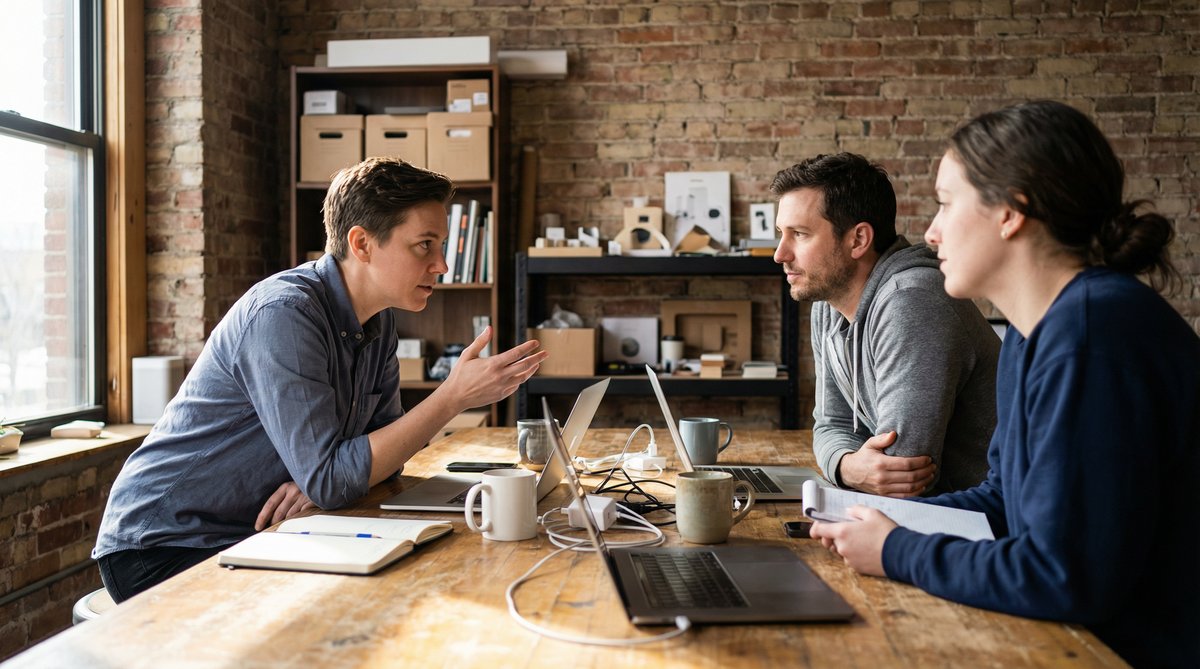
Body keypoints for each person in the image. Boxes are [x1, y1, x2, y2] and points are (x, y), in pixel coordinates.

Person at [809, 100, 1200, 668]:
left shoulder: (1092, 337)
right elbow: (1004, 503)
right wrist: (862, 517)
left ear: (1011, 211)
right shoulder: (1030, 331)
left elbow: (1065, 576)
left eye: (945, 204)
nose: (931, 232)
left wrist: (897, 550)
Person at [93, 158, 548, 602]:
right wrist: (451, 397)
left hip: (259, 528)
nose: (442, 265)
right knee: (367, 607)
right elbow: (335, 477)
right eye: (424, 245)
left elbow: (380, 461)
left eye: (441, 245)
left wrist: (322, 479)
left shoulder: (380, 321)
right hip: (166, 545)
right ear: (362, 243)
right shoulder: (285, 314)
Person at [771, 153, 999, 497]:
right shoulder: (829, 303)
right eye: (780, 234)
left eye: (799, 234)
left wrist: (853, 468)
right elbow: (829, 424)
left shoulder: (912, 301)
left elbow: (900, 474)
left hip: (978, 523)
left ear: (858, 240)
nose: (780, 254)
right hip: (924, 515)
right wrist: (846, 465)